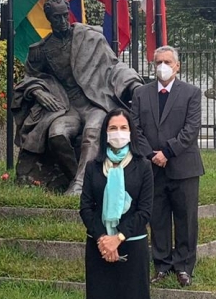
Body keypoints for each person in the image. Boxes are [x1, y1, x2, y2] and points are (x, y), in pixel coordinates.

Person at [12, 0, 143, 194]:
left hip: (95, 102)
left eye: (65, 16)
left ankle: (80, 185)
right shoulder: (41, 50)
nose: (63, 21)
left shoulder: (90, 37)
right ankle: (79, 179)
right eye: (57, 18)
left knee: (92, 132)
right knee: (56, 134)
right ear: (49, 18)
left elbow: (113, 66)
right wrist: (38, 91)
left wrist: (132, 84)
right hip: (66, 107)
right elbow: (30, 77)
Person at [131, 45, 204, 288]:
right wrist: (151, 154)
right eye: (158, 62)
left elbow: (191, 129)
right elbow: (135, 128)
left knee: (185, 219)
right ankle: (161, 265)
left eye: (167, 62)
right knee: (158, 217)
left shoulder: (192, 93)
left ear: (177, 66)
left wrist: (168, 152)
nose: (162, 66)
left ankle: (184, 266)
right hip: (152, 167)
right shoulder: (141, 93)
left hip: (183, 167)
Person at [80, 109, 153, 299]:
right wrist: (103, 238)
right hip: (99, 247)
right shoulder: (93, 167)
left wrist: (118, 237)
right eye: (113, 128)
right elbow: (86, 208)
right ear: (105, 133)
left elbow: (145, 211)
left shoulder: (143, 166)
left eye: (123, 127)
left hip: (132, 246)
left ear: (130, 133)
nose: (118, 132)